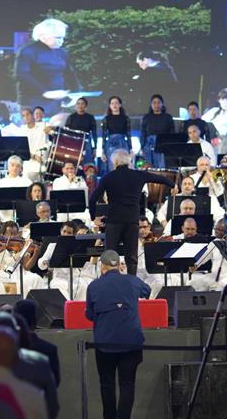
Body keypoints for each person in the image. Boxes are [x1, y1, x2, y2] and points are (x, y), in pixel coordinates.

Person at [85, 250, 151, 419]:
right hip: (131, 341)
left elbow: (90, 315)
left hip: (104, 342)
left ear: (102, 266)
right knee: (127, 384)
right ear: (120, 266)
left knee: (107, 384)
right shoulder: (132, 281)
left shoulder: (93, 286)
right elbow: (147, 291)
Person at [89, 149, 176, 275]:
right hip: (132, 221)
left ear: (116, 162)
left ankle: (108, 283)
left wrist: (93, 218)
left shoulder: (108, 177)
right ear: (129, 162)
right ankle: (132, 284)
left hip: (114, 221)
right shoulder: (139, 175)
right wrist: (173, 185)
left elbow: (92, 199)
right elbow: (161, 179)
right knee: (131, 257)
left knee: (109, 256)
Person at [14, 18, 79, 114]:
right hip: (32, 102)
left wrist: (76, 93)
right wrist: (45, 92)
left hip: (56, 102)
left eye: (63, 38)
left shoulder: (61, 52)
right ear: (43, 37)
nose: (62, 41)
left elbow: (69, 73)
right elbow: (22, 75)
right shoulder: (28, 51)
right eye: (58, 37)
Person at [0, 155, 32, 222]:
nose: (14, 168)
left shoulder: (27, 182)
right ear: (8, 167)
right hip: (5, 218)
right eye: (12, 165)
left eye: (17, 166)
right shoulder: (1, 182)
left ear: (21, 168)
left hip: (24, 217)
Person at [140, 94, 175, 168]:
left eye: (159, 102)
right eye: (154, 102)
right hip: (149, 145)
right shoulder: (146, 117)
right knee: (150, 167)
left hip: (163, 145)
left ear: (162, 104)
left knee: (162, 166)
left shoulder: (168, 117)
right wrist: (142, 147)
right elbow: (143, 133)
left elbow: (172, 133)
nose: (156, 105)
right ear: (151, 105)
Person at [100, 96, 131, 174]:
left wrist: (131, 148)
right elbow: (103, 135)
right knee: (112, 166)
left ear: (120, 105)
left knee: (124, 165)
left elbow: (128, 134)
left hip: (123, 143)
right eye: (112, 103)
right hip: (110, 144)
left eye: (116, 103)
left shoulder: (126, 118)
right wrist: (103, 150)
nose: (114, 105)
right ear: (110, 106)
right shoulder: (106, 119)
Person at [64, 97, 98, 166]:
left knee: (88, 165)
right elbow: (66, 133)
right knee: (74, 164)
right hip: (73, 143)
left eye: (82, 104)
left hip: (86, 143)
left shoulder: (90, 117)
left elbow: (94, 134)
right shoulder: (71, 117)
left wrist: (95, 148)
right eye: (78, 104)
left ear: (86, 106)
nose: (80, 105)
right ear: (76, 105)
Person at [20, 107, 50, 182]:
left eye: (28, 115)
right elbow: (22, 149)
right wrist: (34, 156)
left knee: (43, 188)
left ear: (32, 115)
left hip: (43, 163)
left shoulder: (43, 125)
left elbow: (55, 130)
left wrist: (52, 127)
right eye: (23, 116)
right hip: (29, 163)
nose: (26, 117)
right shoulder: (22, 130)